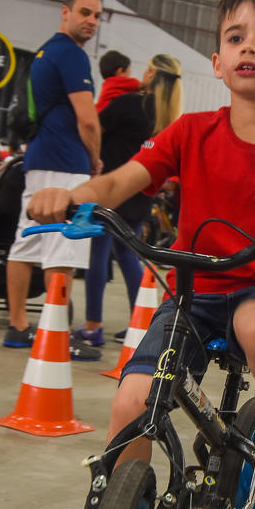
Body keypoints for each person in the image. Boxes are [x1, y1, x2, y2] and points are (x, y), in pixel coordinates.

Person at [27, 0, 255, 501]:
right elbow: (122, 180)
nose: (249, 46)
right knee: (130, 402)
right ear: (217, 61)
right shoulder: (189, 131)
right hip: (195, 295)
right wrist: (75, 195)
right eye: (236, 37)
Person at [4, 0, 103, 360]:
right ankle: (56, 334)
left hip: (38, 160)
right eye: (84, 12)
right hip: (65, 162)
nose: (91, 21)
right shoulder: (72, 56)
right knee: (63, 248)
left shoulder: (45, 52)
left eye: (96, 15)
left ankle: (18, 328)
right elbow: (88, 120)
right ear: (66, 12)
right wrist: (94, 159)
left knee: (25, 242)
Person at [72, 51, 182, 346]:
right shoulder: (168, 118)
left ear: (150, 74)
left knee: (98, 254)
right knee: (127, 255)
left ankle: (93, 326)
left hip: (113, 190)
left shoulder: (127, 105)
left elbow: (93, 128)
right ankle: (142, 324)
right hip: (141, 198)